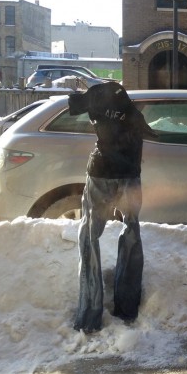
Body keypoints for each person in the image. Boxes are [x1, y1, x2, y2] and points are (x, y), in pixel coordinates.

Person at [69, 82, 157, 333]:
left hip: (101, 174)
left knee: (89, 237)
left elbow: (74, 104)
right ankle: (127, 309)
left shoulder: (96, 97)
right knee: (131, 232)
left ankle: (89, 314)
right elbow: (148, 133)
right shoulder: (133, 113)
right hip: (130, 175)